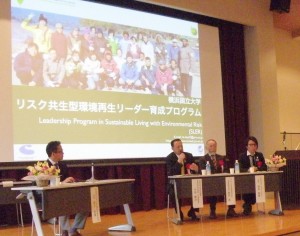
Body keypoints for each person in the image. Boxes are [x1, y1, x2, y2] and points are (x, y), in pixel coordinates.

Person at [46, 141, 87, 236]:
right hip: (52, 198)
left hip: (67, 194)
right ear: (53, 153)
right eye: (61, 151)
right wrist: (62, 183)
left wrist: (73, 181)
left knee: (86, 203)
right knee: (63, 203)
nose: (63, 154)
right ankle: (66, 230)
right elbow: (46, 184)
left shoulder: (63, 165)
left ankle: (73, 229)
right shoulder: (43, 166)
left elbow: (68, 179)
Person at [200, 139, 238, 219]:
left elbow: (226, 169)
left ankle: (231, 209)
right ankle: (212, 211)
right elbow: (202, 170)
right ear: (207, 147)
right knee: (212, 189)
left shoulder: (221, 158)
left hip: (222, 180)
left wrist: (224, 172)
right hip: (210, 181)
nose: (213, 147)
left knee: (230, 186)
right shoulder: (203, 159)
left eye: (214, 145)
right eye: (211, 146)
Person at [166, 138, 199, 221]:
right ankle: (179, 212)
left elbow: (196, 170)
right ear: (172, 148)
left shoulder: (189, 155)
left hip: (189, 182)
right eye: (178, 147)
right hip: (175, 183)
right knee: (173, 192)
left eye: (181, 146)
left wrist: (196, 169)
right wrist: (179, 161)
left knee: (198, 189)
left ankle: (193, 211)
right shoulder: (169, 158)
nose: (180, 148)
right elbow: (171, 173)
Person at [239, 136, 267, 215]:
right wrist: (249, 170)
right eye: (251, 145)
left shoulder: (259, 155)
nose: (253, 146)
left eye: (254, 145)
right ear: (246, 146)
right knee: (248, 192)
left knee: (254, 197)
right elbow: (240, 169)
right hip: (246, 180)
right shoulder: (242, 156)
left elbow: (264, 167)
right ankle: (247, 205)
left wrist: (257, 169)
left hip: (258, 179)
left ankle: (247, 205)